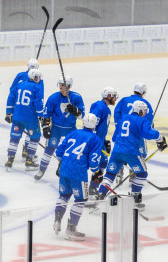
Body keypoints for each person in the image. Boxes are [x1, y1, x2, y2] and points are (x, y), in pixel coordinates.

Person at [97, 101, 167, 208]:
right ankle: (135, 198)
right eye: (144, 111)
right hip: (131, 153)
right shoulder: (141, 120)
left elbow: (114, 137)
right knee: (142, 174)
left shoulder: (123, 118)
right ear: (139, 110)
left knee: (110, 174)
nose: (144, 113)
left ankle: (100, 194)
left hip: (117, 152)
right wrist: (160, 139)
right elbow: (149, 133)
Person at [53, 113, 104, 241]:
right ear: (94, 124)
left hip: (64, 170)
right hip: (78, 173)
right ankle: (71, 228)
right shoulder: (95, 139)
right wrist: (96, 172)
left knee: (63, 196)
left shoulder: (73, 133)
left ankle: (57, 220)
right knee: (80, 200)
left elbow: (59, 152)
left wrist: (64, 162)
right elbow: (93, 161)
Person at [36, 75, 85, 181]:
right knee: (49, 149)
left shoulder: (76, 97)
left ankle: (62, 168)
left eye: (63, 85)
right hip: (56, 128)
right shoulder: (53, 97)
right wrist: (45, 127)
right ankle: (41, 170)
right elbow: (46, 113)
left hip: (71, 129)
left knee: (69, 151)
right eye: (60, 85)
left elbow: (82, 115)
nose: (61, 87)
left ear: (69, 86)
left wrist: (76, 111)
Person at [4, 68, 43, 171]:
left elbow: (10, 98)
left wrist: (8, 113)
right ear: (33, 77)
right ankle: (29, 161)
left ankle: (10, 160)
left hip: (17, 117)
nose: (38, 79)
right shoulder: (36, 87)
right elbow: (38, 104)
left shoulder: (19, 85)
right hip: (30, 118)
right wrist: (41, 115)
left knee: (14, 138)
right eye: (37, 77)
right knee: (35, 137)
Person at [88, 87, 118, 199]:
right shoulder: (100, 106)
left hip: (100, 140)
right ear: (109, 96)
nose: (115, 98)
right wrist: (94, 140)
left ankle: (93, 187)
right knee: (96, 163)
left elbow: (100, 127)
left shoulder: (105, 108)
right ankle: (90, 189)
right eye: (114, 96)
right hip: (95, 141)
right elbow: (92, 123)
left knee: (103, 162)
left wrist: (104, 141)